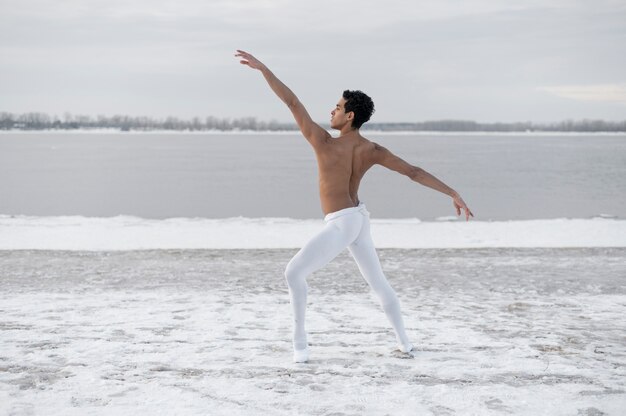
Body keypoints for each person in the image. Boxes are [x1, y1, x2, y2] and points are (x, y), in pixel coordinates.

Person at [235, 50, 473, 363]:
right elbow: (413, 172)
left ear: (349, 116)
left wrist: (263, 69)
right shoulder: (371, 149)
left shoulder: (324, 142)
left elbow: (291, 102)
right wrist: (452, 192)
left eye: (336, 107)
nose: (331, 111)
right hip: (358, 219)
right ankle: (405, 343)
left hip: (343, 222)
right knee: (378, 283)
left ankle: (300, 347)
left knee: (293, 273)